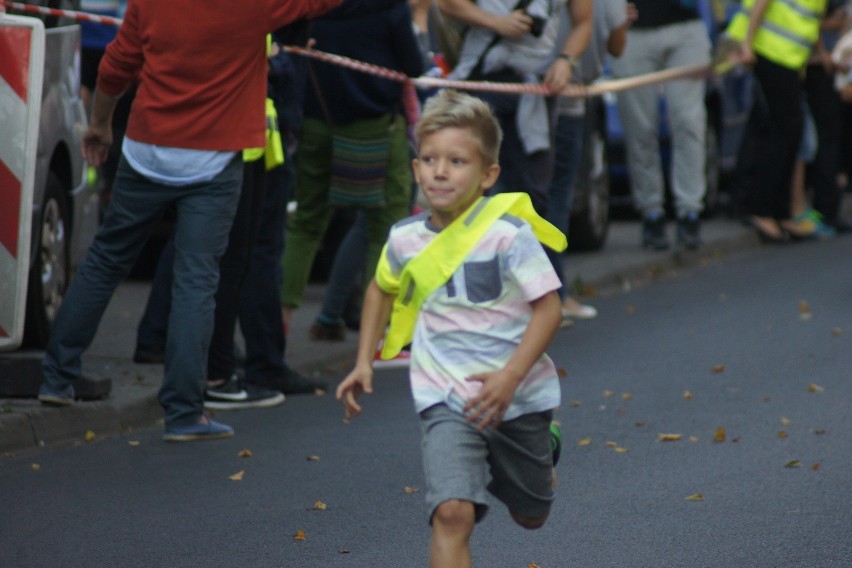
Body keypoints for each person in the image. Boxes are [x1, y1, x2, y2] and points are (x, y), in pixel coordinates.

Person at [36, 0, 344, 442]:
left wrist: (101, 124)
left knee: (105, 261)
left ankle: (56, 378)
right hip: (214, 158)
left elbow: (117, 64)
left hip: (148, 146)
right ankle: (183, 411)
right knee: (196, 279)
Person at [336, 90, 566, 567]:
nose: (440, 171)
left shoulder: (507, 235)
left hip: (517, 395)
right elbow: (380, 288)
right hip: (445, 396)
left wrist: (508, 379)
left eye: (457, 161)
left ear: (488, 175)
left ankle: (547, 444)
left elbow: (549, 310)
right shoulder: (405, 239)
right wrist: (364, 361)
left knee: (532, 516)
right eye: (430, 159)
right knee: (452, 513)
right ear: (416, 168)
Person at [279, 2, 424, 330]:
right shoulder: (389, 7)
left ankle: (277, 330)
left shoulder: (310, 5)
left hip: (316, 122)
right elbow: (413, 66)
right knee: (384, 223)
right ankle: (377, 333)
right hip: (376, 127)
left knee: (306, 222)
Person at [437, 0, 592, 218]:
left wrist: (566, 60)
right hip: (483, 82)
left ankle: (531, 249)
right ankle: (478, 247)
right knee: (474, 187)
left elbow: (583, 23)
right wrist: (495, 22)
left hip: (536, 87)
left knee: (534, 193)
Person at [546, 0, 631, 322]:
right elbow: (618, 45)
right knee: (555, 198)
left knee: (529, 196)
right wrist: (622, 21)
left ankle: (545, 296)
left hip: (532, 92)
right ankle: (554, 295)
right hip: (568, 98)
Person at [610, 0, 710, 250]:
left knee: (689, 122)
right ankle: (651, 211)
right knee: (640, 129)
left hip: (685, 25)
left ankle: (690, 211)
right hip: (633, 30)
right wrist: (611, 10)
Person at [726, 0, 827, 243]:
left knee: (788, 129)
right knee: (786, 128)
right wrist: (747, 44)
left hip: (787, 56)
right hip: (770, 50)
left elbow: (810, 21)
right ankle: (762, 209)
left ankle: (780, 212)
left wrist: (818, 53)